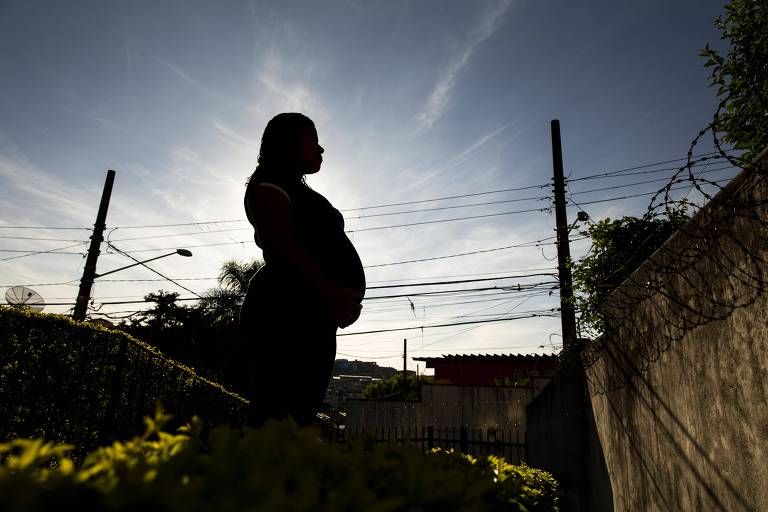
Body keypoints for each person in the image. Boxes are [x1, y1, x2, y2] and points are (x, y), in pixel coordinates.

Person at [237, 112, 365, 427]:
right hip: (285, 314)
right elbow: (279, 243)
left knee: (297, 417)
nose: (321, 149)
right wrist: (332, 293)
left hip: (310, 315)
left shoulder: (291, 187)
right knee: (279, 418)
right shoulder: (270, 183)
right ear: (288, 142)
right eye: (313, 141)